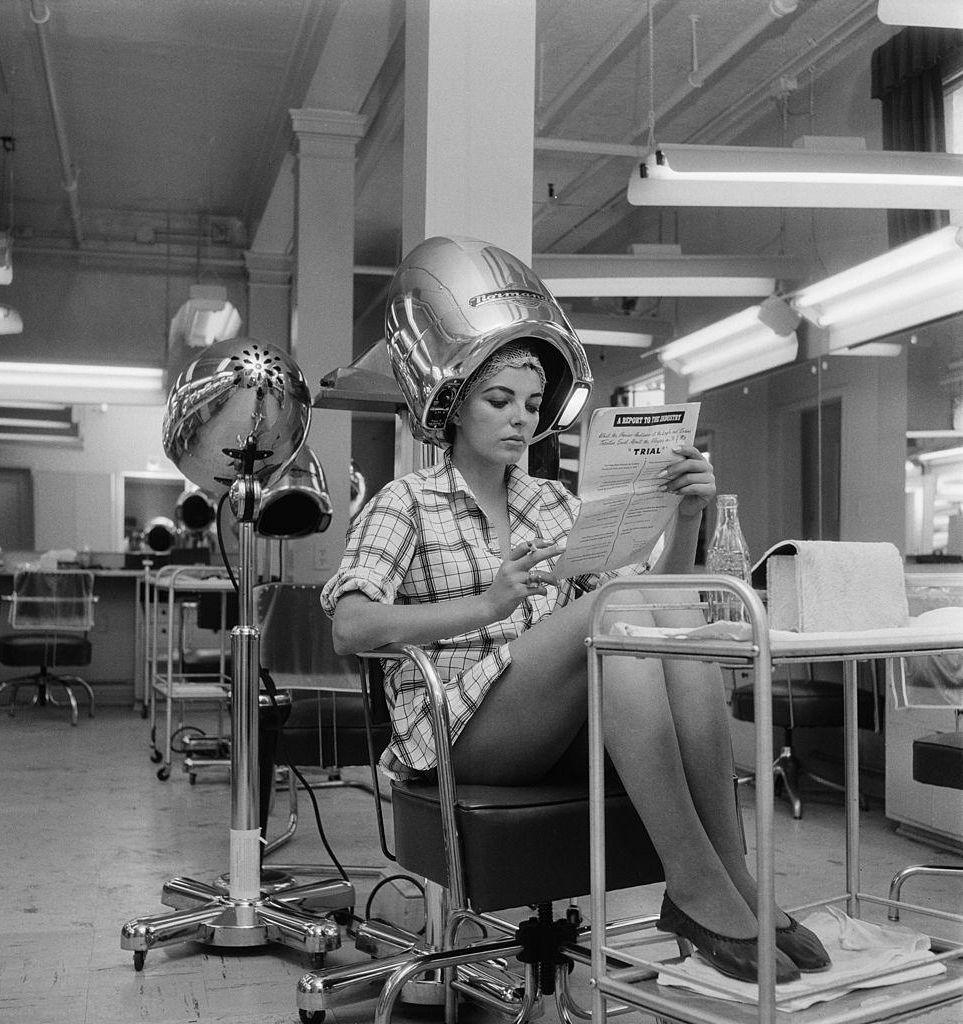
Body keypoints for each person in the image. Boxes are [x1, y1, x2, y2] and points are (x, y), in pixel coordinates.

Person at [321, 237, 829, 985]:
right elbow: (351, 627)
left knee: (650, 622)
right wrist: (485, 604)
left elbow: (656, 604)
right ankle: (694, 884)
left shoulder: (553, 504)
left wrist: (688, 515)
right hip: (455, 730)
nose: (520, 420)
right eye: (498, 401)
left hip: (551, 724)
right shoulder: (408, 502)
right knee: (608, 617)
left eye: (531, 406)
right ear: (454, 407)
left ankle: (730, 877)